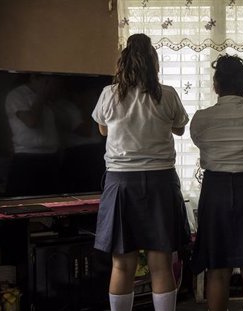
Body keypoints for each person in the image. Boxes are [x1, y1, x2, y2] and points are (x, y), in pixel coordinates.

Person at [92, 33, 190, 311]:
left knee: (122, 265)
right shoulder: (167, 94)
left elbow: (102, 129)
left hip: (121, 183)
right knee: (161, 263)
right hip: (160, 181)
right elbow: (180, 127)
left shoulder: (109, 94)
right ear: (153, 62)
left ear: (123, 62)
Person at [189, 54, 243, 311]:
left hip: (215, 192)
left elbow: (199, 142)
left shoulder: (201, 118)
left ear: (216, 86)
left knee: (217, 269)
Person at [4, 74, 60, 196]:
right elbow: (31, 121)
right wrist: (41, 95)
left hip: (51, 156)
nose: (51, 86)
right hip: (27, 157)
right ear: (34, 78)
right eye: (47, 81)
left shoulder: (51, 99)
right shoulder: (17, 95)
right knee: (22, 202)